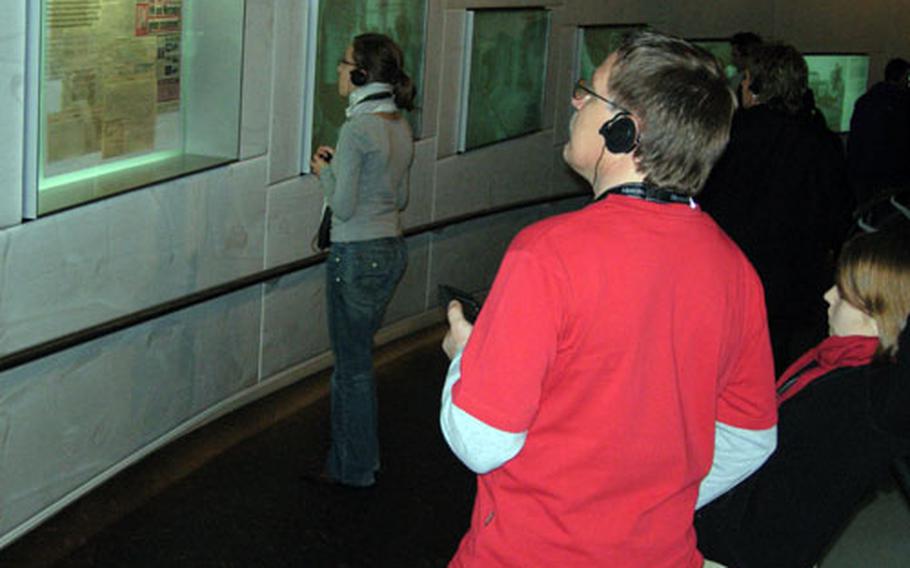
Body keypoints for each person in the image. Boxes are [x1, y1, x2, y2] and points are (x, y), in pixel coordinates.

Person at [438, 31, 778, 567]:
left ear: (624, 129)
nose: (575, 103)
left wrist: (466, 361)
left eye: (587, 93)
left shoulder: (548, 253)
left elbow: (481, 441)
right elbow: (750, 438)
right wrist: (643, 507)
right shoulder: (737, 271)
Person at [695, 221, 910, 568]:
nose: (828, 297)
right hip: (722, 534)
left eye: (842, 293)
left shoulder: (877, 395)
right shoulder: (833, 363)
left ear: (880, 311)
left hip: (744, 556)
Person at [699, 42, 855, 373]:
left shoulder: (730, 135)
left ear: (755, 84)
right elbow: (837, 216)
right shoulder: (821, 141)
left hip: (732, 279)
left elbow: (704, 203)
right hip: (795, 287)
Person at [309, 33, 414, 488]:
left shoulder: (356, 130)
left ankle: (351, 468)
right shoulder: (398, 125)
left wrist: (324, 171)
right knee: (359, 364)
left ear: (360, 75)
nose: (337, 70)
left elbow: (345, 206)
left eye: (343, 63)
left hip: (355, 256)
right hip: (391, 250)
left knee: (350, 371)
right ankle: (361, 462)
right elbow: (400, 196)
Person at [848, 57, 910, 206]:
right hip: (893, 181)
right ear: (903, 78)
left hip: (863, 177)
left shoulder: (865, 101)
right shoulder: (903, 105)